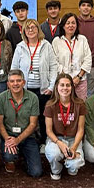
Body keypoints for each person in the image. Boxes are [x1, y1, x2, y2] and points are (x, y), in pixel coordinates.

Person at [10, 18, 58, 150]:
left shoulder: (46, 45)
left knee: (43, 118)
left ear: (38, 29)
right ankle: (24, 142)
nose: (30, 30)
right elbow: (14, 69)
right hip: (25, 90)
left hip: (43, 90)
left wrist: (51, 87)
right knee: (25, 117)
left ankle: (43, 142)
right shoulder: (20, 47)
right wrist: (16, 87)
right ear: (24, 31)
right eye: (28, 28)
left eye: (33, 27)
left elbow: (53, 67)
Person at [0, 69, 43, 177]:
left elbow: (33, 124)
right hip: (9, 135)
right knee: (9, 156)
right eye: (12, 81)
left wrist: (17, 140)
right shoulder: (2, 97)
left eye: (18, 80)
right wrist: (8, 139)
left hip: (28, 136)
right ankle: (10, 159)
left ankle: (24, 154)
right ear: (8, 84)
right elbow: (0, 123)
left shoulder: (33, 98)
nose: (15, 84)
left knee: (36, 172)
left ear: (24, 82)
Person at [44, 74, 86, 180]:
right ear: (56, 87)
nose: (65, 88)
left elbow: (81, 130)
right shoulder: (50, 105)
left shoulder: (80, 104)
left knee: (75, 164)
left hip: (73, 139)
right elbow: (49, 131)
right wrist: (59, 143)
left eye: (68, 85)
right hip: (56, 138)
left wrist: (74, 148)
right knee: (54, 154)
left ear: (72, 87)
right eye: (62, 85)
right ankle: (56, 169)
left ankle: (70, 165)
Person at [52, 12, 92, 99]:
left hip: (80, 81)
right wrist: (65, 78)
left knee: (80, 104)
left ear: (77, 25)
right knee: (64, 104)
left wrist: (78, 77)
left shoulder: (82, 39)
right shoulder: (57, 41)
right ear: (63, 26)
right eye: (68, 23)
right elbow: (54, 61)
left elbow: (88, 59)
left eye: (73, 23)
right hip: (63, 82)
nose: (71, 25)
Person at [76, 0, 94, 97]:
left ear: (91, 8)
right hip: (76, 65)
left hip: (93, 65)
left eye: (88, 6)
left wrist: (88, 60)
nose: (86, 8)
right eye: (83, 5)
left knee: (90, 92)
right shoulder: (74, 22)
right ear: (79, 8)